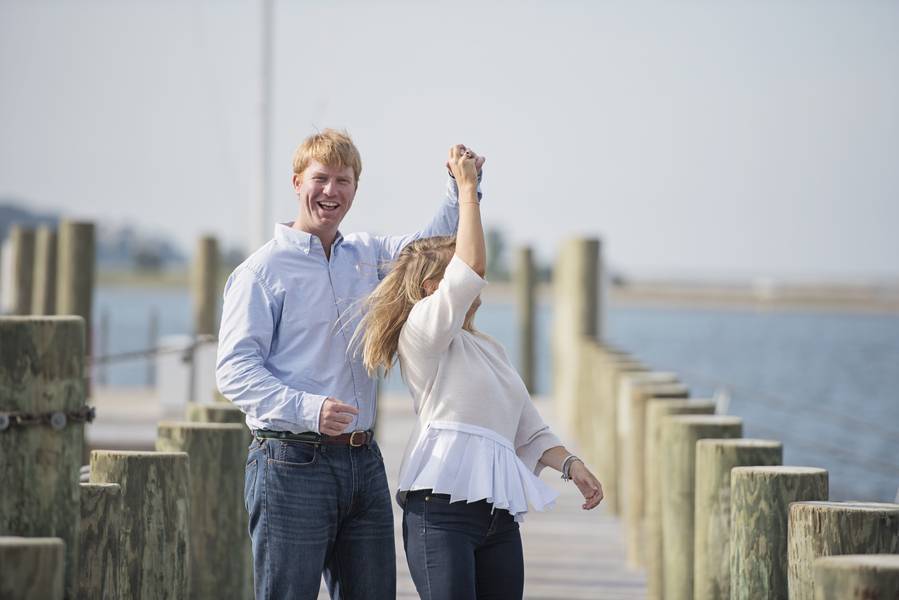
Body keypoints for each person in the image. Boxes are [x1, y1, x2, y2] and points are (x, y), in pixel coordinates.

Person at [216, 129, 483, 599]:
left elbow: (430, 245)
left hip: (363, 460)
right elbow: (234, 371)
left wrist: (460, 187)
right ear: (297, 182)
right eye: (321, 178)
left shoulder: (367, 255)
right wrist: (309, 408)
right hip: (288, 462)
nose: (331, 191)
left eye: (344, 180)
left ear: (356, 188)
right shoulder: (260, 272)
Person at [357, 145, 604, 600]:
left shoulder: (489, 348)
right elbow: (471, 268)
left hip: (498, 515)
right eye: (453, 274)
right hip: (439, 510)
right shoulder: (423, 334)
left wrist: (572, 465)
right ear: (433, 288)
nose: (470, 280)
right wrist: (468, 191)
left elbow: (528, 429)